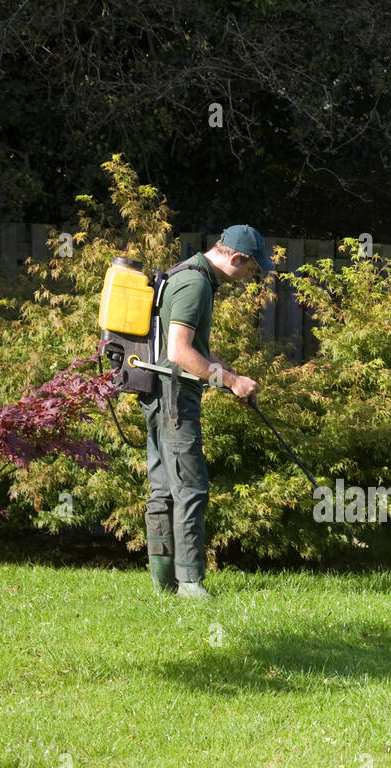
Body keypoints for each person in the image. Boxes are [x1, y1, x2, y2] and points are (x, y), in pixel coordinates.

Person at [142, 225, 272, 599]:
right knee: (191, 488)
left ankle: (164, 585)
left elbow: (195, 348)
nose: (251, 277)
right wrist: (230, 382)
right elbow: (179, 352)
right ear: (235, 258)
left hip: (158, 394)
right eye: (251, 269)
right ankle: (189, 584)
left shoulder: (187, 272)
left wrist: (233, 377)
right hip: (174, 399)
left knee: (164, 489)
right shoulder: (196, 284)